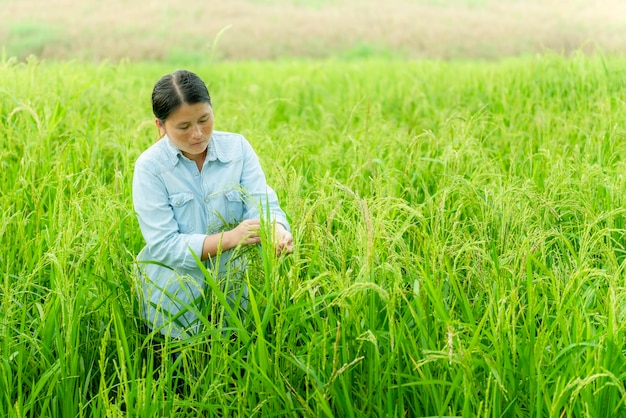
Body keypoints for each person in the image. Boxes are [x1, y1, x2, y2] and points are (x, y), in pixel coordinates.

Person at [132, 69, 293, 339]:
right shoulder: (150, 167)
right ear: (160, 126)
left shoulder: (238, 149)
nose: (197, 134)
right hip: (175, 305)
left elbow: (262, 203)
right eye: (183, 127)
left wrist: (276, 229)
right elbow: (163, 244)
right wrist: (230, 238)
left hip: (236, 300)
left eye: (204, 120)